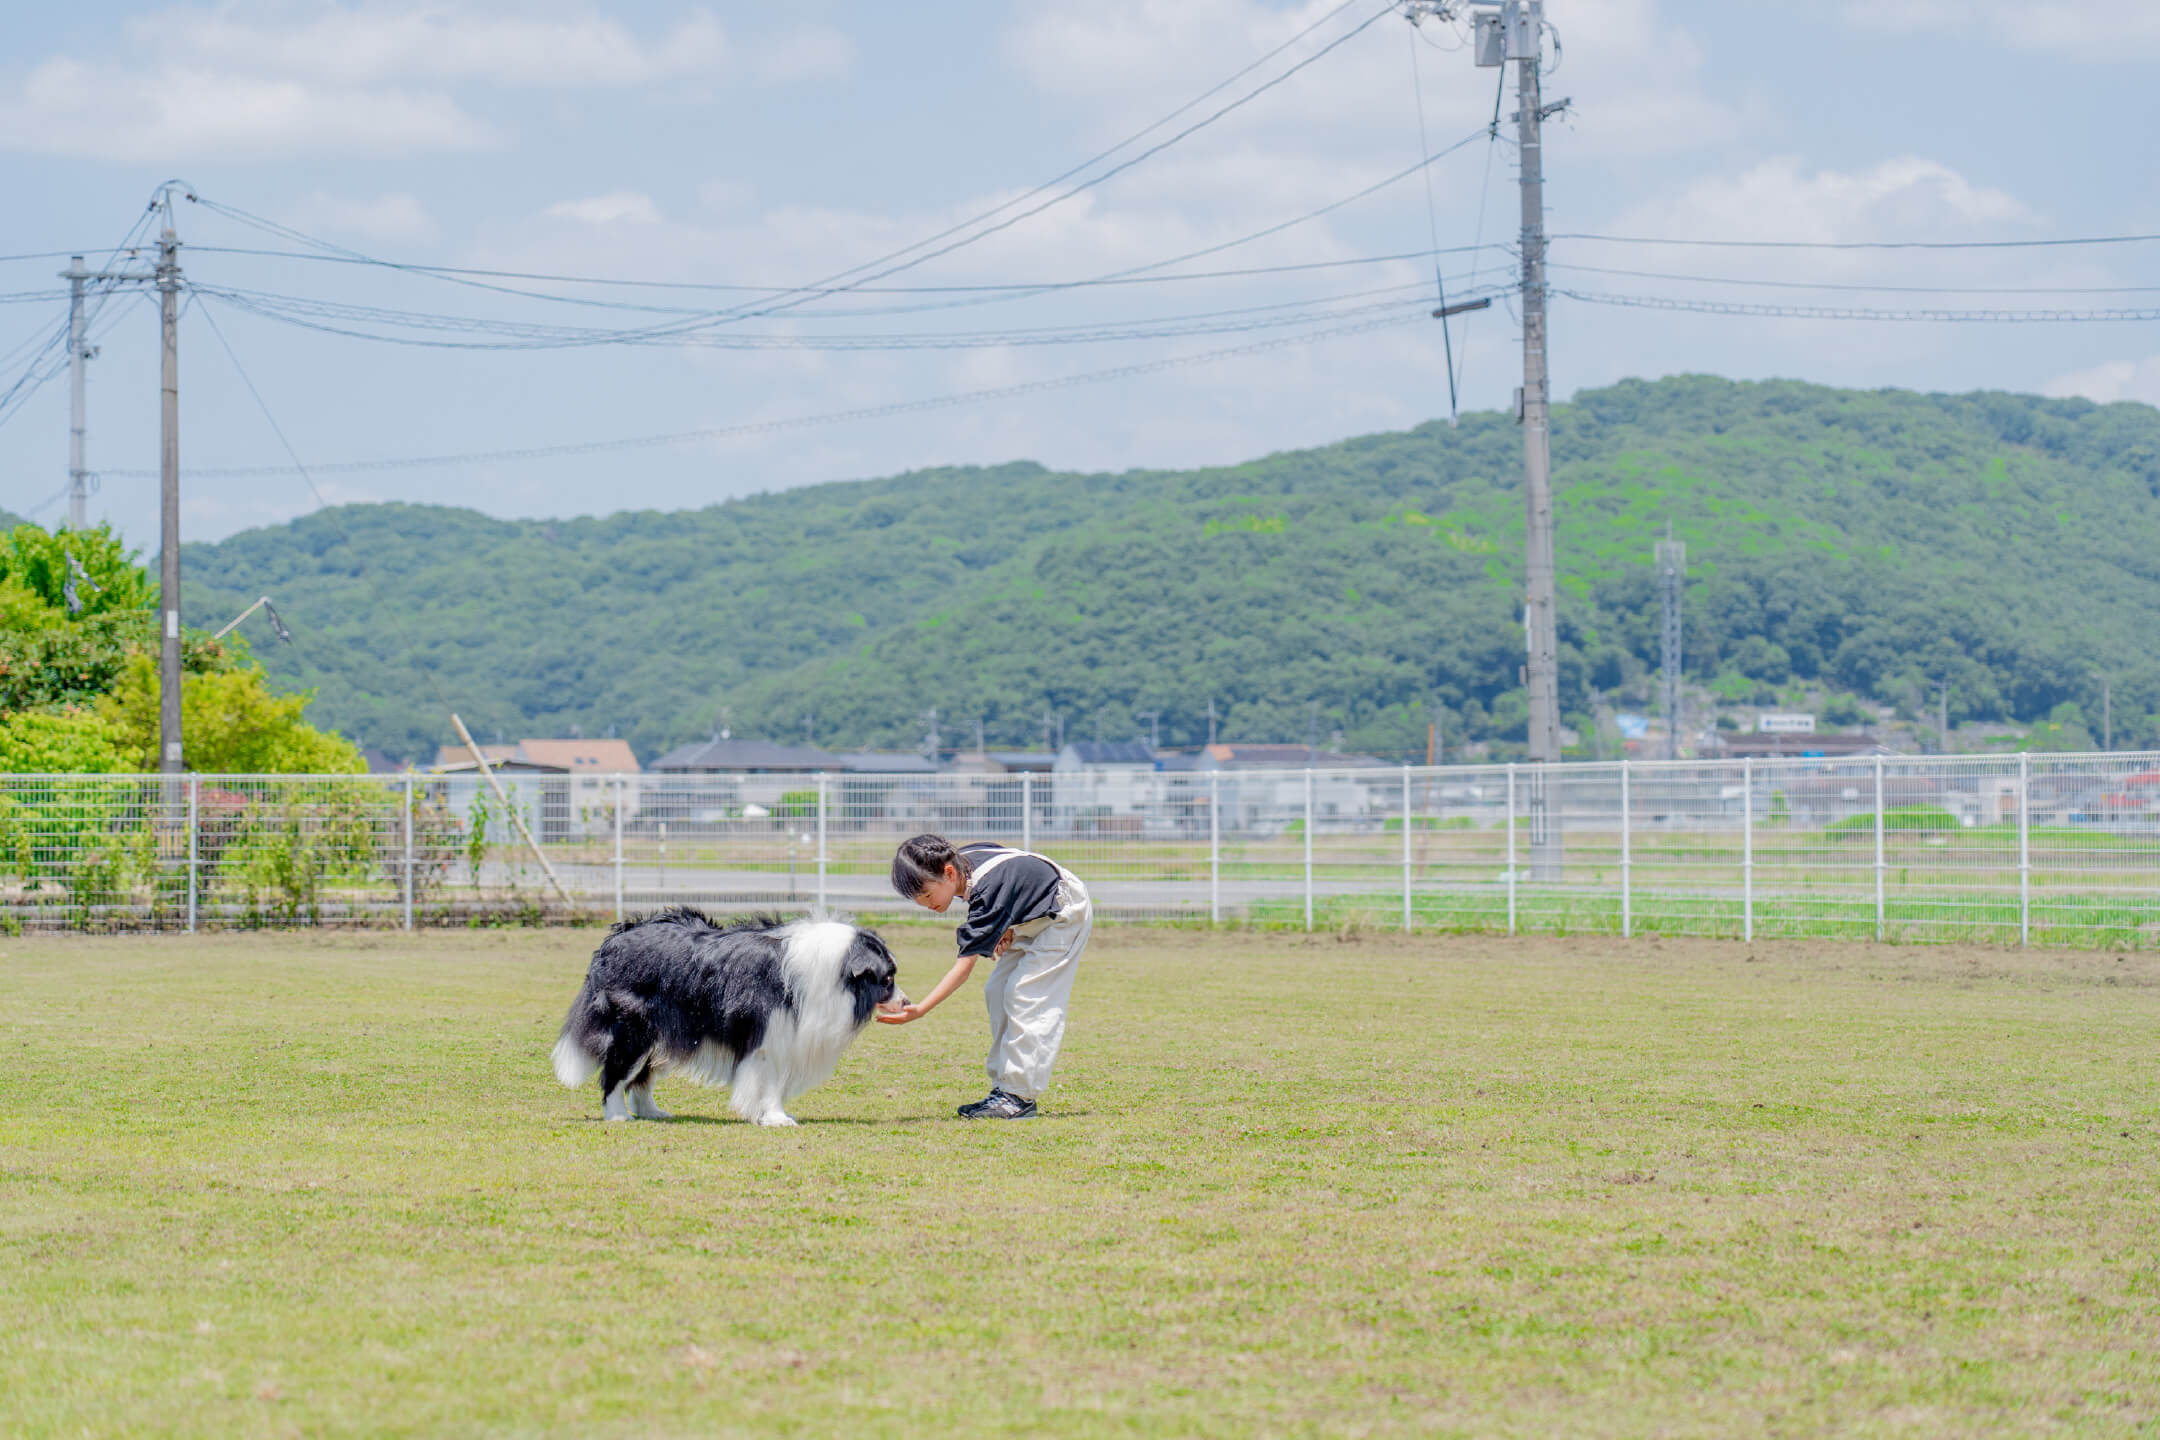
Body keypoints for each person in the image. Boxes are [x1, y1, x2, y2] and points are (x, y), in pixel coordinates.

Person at [878, 833, 1092, 1120]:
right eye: (918, 900)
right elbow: (1012, 875)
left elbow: (963, 969)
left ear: (949, 873)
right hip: (1032, 916)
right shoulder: (960, 861)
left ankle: (1019, 1096)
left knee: (1025, 994)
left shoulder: (987, 890)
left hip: (1063, 912)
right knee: (997, 989)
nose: (926, 905)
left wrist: (921, 1009)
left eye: (927, 895)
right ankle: (1003, 1091)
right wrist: (1005, 921)